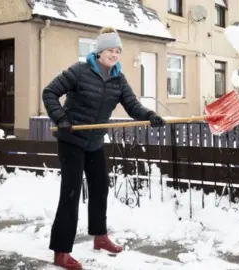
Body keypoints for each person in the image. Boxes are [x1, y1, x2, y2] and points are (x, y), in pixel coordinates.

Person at [42, 26, 166, 270]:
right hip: (72, 141)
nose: (115, 54)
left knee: (100, 188)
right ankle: (61, 251)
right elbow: (50, 93)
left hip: (95, 141)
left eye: (118, 51)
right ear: (99, 51)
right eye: (111, 50)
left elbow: (132, 105)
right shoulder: (79, 71)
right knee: (71, 193)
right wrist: (62, 119)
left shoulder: (118, 79)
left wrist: (150, 115)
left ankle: (99, 236)